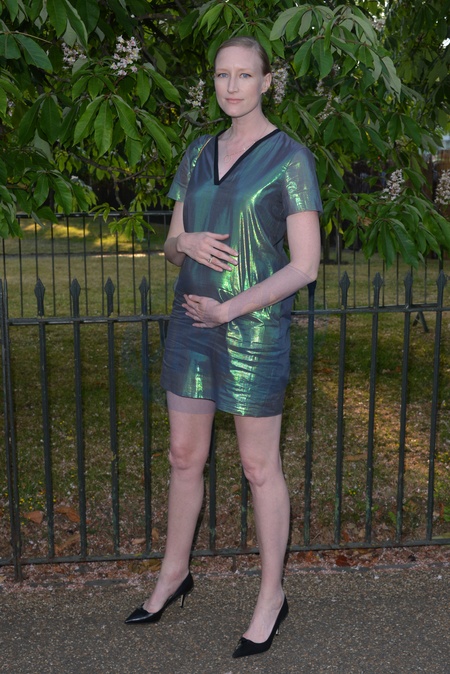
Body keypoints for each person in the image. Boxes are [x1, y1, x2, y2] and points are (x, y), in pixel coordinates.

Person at [125, 36, 322, 658]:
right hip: (191, 322)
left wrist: (230, 309)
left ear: (267, 82)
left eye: (244, 75)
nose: (231, 86)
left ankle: (271, 595)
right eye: (221, 75)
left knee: (259, 468)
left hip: (252, 329)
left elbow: (306, 266)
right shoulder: (197, 151)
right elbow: (172, 243)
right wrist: (183, 244)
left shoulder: (291, 158)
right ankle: (173, 574)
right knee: (184, 457)